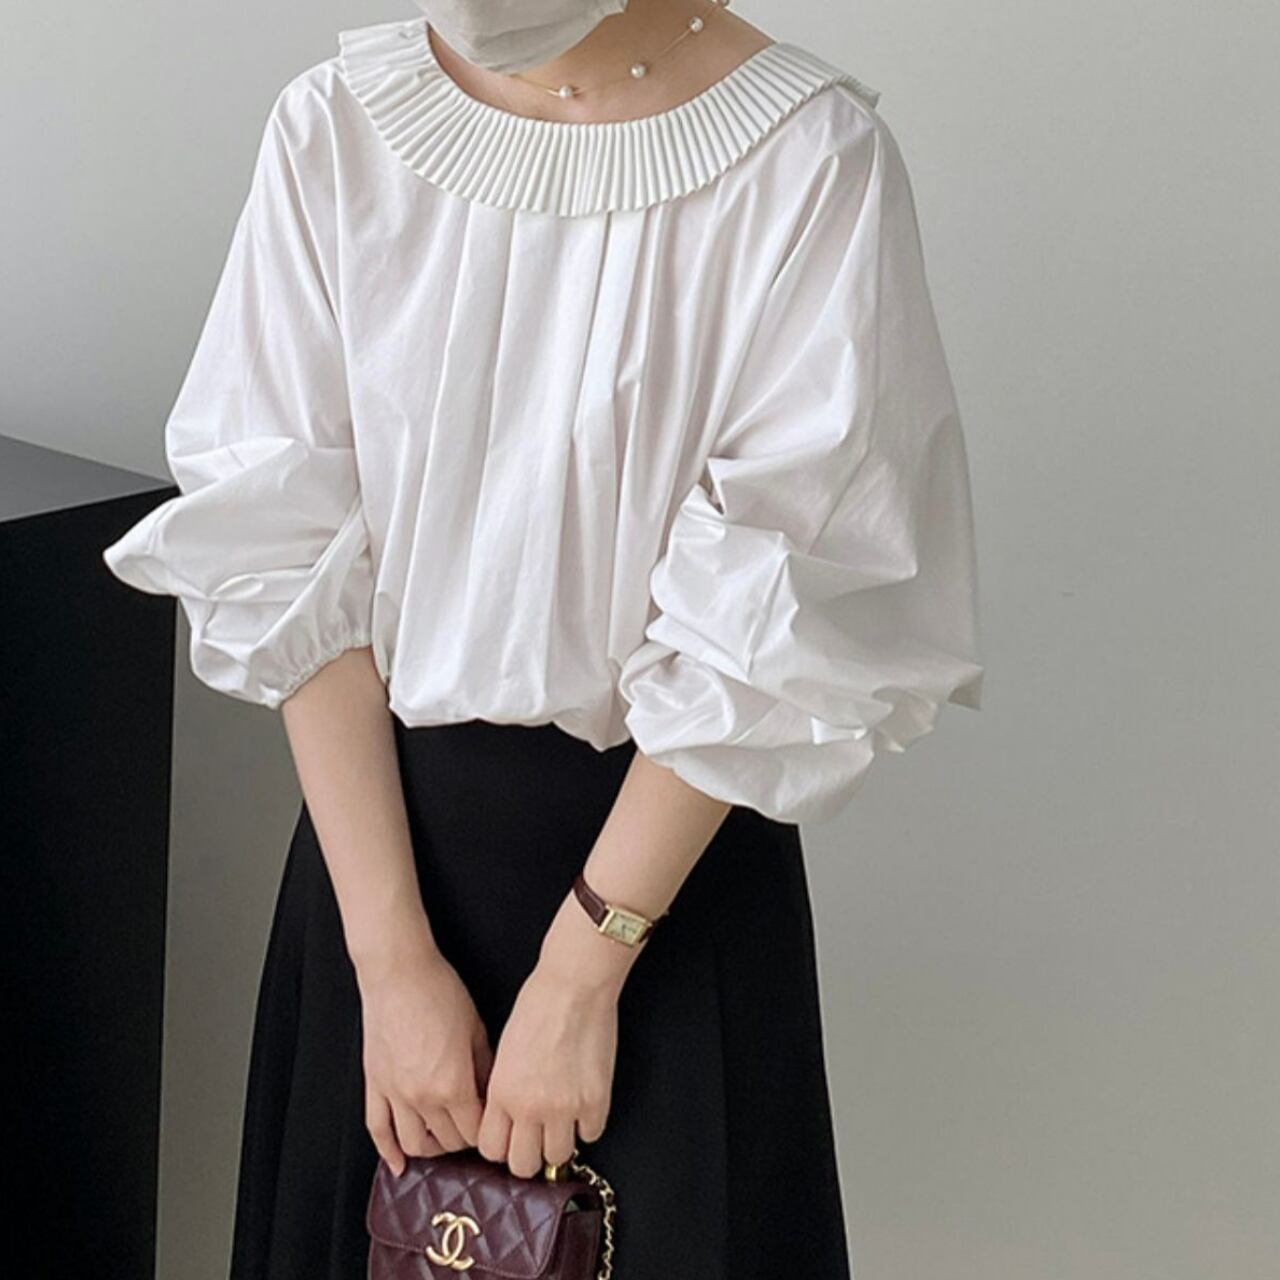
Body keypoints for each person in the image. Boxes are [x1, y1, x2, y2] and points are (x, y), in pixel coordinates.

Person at [101, 0, 985, 1275]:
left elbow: (785, 600)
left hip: (661, 890)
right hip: (380, 864)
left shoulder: (805, 159)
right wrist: (387, 963)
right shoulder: (338, 126)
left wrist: (579, 978)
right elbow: (285, 550)